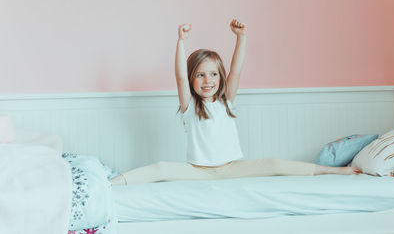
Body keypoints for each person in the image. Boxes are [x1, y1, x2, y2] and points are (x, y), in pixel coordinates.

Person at [110, 19, 362, 186]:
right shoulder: (189, 107)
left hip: (232, 168)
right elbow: (177, 75)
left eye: (213, 74)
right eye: (199, 74)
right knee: (159, 168)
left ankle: (335, 170)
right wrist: (181, 43)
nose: (207, 80)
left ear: (220, 77)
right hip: (198, 171)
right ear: (191, 80)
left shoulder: (226, 102)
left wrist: (241, 38)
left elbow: (237, 71)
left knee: (274, 163)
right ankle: (111, 182)